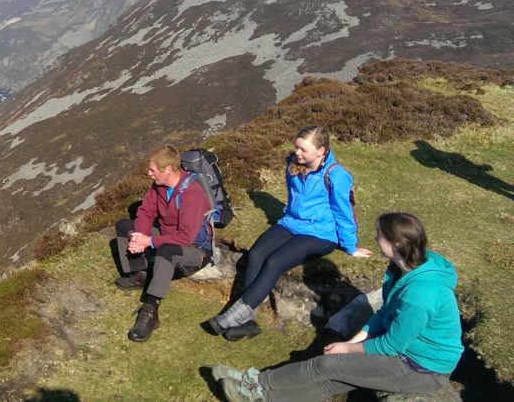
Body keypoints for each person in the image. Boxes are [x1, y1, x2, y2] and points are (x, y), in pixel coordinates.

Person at [212, 212, 464, 401]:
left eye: (379, 235)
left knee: (325, 365)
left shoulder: (421, 294)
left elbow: (392, 345)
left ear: (395, 244)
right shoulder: (401, 269)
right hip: (408, 354)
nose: (375, 238)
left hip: (422, 368)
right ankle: (260, 394)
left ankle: (257, 384)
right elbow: (386, 311)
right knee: (333, 378)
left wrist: (348, 347)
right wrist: (356, 340)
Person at [206, 125, 371, 341]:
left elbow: (343, 212)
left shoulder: (336, 175)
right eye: (296, 147)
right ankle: (248, 321)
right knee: (256, 254)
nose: (297, 152)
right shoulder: (293, 164)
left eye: (303, 149)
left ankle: (232, 317)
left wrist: (350, 246)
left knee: (275, 262)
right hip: (291, 223)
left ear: (321, 151)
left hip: (321, 233)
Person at [113, 144, 213, 342]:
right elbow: (146, 211)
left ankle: (150, 312)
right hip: (169, 235)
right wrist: (139, 237)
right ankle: (139, 275)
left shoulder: (192, 194)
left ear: (168, 169)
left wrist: (149, 240)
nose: (149, 173)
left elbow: (186, 237)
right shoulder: (159, 187)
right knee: (125, 226)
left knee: (165, 250)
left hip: (195, 250)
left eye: (152, 170)